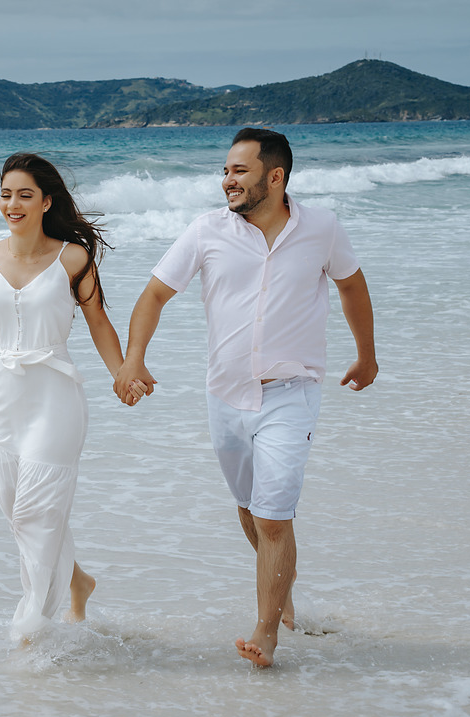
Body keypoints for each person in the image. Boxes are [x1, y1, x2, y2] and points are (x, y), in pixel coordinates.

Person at [114, 128, 378, 668]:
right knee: (250, 509)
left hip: (293, 390)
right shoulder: (206, 231)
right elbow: (155, 294)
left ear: (275, 177)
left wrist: (366, 354)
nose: (227, 180)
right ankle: (281, 588)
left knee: (275, 516)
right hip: (225, 395)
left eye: (239, 171)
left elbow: (352, 286)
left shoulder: (321, 229)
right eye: (226, 171)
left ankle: (266, 630)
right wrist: (133, 359)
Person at [0, 152, 142, 645]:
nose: (13, 204)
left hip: (55, 397)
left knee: (35, 513)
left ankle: (31, 628)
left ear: (46, 201)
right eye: (5, 195)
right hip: (1, 398)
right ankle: (77, 582)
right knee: (18, 512)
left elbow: (99, 322)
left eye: (25, 195)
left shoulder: (72, 257)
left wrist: (122, 374)